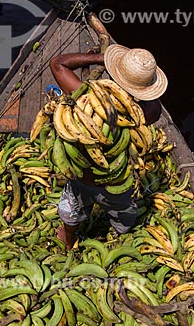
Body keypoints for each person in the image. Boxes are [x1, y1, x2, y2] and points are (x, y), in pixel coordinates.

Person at [49, 44, 168, 250]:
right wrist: (142, 91)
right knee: (123, 212)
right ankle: (118, 239)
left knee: (72, 212)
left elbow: (58, 63)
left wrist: (99, 58)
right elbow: (154, 107)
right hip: (117, 180)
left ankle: (68, 241)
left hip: (82, 176)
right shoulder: (144, 114)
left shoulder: (83, 98)